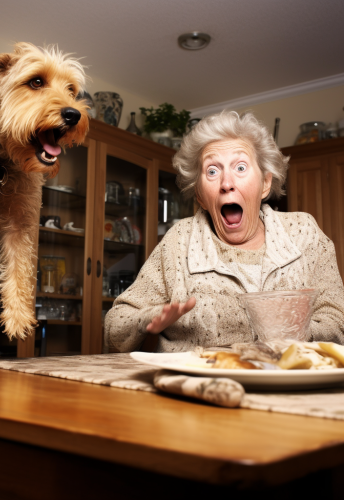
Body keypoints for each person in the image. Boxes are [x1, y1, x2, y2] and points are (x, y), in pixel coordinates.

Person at [104, 111, 344, 352]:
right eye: (212, 171)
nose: (226, 183)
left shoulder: (303, 233)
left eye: (240, 167)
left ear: (265, 183)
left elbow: (338, 321)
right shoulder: (180, 242)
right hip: (199, 387)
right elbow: (115, 326)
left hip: (290, 385)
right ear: (200, 196)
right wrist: (149, 317)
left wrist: (294, 331)